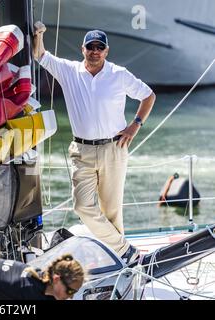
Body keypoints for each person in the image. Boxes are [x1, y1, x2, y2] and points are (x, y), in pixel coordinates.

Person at [33, 22, 156, 264]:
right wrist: (38, 35)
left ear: (106, 51)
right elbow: (40, 55)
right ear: (83, 49)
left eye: (100, 47)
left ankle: (120, 264)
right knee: (82, 206)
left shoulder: (118, 74)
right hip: (82, 150)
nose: (95, 51)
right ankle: (125, 251)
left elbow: (148, 95)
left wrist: (135, 125)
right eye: (91, 47)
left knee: (111, 211)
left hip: (114, 148)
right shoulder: (69, 71)